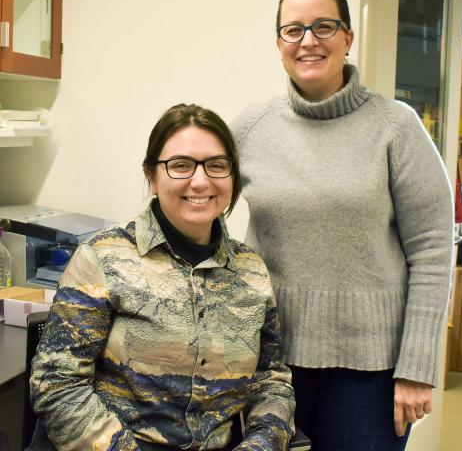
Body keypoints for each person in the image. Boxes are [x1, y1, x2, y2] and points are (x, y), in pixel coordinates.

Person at [230, 0, 453, 451]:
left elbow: (432, 250)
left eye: (323, 26)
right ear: (279, 43)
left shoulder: (396, 127)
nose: (308, 40)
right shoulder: (250, 128)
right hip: (270, 363)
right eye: (293, 30)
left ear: (347, 38)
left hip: (372, 373)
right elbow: (195, 204)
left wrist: (418, 367)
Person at [29, 103, 295, 451]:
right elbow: (57, 383)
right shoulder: (104, 258)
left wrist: (261, 444)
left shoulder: (250, 270)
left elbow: (270, 381)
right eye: (181, 166)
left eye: (216, 165)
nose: (200, 181)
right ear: (151, 177)